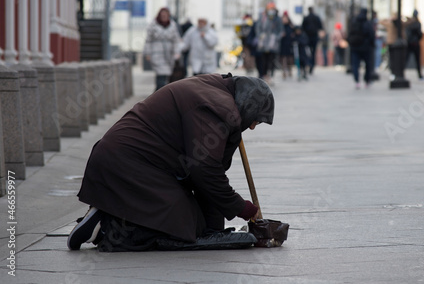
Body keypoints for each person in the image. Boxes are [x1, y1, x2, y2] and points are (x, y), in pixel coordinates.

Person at [67, 73, 275, 252]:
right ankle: (106, 225)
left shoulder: (216, 89)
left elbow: (208, 171)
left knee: (197, 223)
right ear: (247, 106)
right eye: (255, 121)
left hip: (133, 160)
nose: (253, 127)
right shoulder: (216, 107)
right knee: (183, 227)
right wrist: (243, 208)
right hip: (128, 161)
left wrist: (215, 232)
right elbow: (206, 170)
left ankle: (110, 214)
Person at [144, 7, 182, 91]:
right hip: (156, 54)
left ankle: (158, 95)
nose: (164, 16)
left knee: (165, 76)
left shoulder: (172, 25)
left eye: (166, 15)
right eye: (162, 15)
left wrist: (177, 52)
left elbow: (176, 40)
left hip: (169, 55)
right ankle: (159, 95)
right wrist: (147, 53)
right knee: (160, 75)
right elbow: (148, 41)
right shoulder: (153, 25)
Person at [256, 2, 283, 84]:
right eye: (270, 9)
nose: (271, 11)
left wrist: (276, 37)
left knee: (271, 60)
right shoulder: (262, 18)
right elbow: (258, 28)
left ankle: (270, 75)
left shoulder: (277, 19)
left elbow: (280, 31)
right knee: (262, 59)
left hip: (272, 43)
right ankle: (263, 75)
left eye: (272, 9)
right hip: (263, 43)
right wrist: (260, 36)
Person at [347, 8, 375, 89]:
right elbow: (371, 35)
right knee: (367, 64)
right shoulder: (367, 23)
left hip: (355, 47)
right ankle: (367, 81)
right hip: (366, 48)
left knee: (355, 64)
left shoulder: (354, 22)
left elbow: (349, 34)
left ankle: (357, 81)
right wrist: (372, 44)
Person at [301, 6, 324, 74]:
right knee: (313, 52)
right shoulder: (316, 17)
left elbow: (302, 28)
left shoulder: (306, 18)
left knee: (307, 52)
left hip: (307, 38)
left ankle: (309, 63)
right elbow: (321, 27)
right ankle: (312, 65)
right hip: (314, 37)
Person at [405, 10, 424, 80]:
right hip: (415, 43)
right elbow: (419, 34)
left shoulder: (409, 23)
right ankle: (419, 74)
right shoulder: (417, 23)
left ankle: (403, 73)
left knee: (406, 59)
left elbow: (407, 33)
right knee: (417, 60)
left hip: (409, 43)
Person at [280, 11, 294, 79]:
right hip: (282, 44)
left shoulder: (291, 26)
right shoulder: (280, 26)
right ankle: (284, 71)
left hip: (289, 44)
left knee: (289, 59)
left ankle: (290, 70)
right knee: (283, 58)